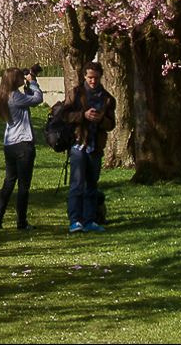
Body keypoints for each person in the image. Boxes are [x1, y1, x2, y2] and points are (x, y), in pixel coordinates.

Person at [66, 60, 116, 234]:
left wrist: (101, 119)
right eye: (89, 78)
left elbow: (112, 124)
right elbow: (64, 116)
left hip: (95, 146)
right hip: (78, 144)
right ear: (84, 77)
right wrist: (83, 115)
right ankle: (75, 220)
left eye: (95, 78)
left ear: (100, 77)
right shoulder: (76, 94)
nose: (92, 81)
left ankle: (89, 220)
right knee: (77, 184)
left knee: (91, 185)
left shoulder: (107, 98)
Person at [0, 65, 44, 230]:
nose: (24, 78)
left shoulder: (5, 95)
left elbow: (28, 100)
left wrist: (28, 85)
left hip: (10, 144)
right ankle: (21, 222)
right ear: (15, 80)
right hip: (23, 144)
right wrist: (34, 82)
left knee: (9, 181)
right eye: (21, 77)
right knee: (23, 185)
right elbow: (37, 99)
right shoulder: (16, 97)